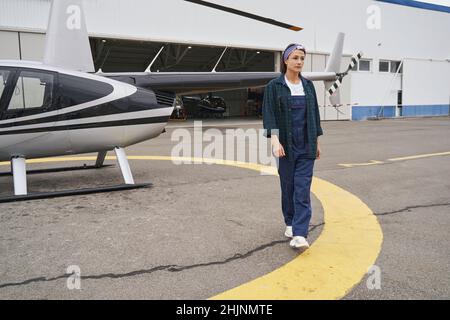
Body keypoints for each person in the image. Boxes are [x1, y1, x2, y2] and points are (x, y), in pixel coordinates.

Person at [262, 43, 323, 249]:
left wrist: (316, 141)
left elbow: (314, 114)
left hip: (306, 144)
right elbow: (269, 114)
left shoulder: (308, 86)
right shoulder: (274, 87)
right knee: (287, 187)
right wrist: (275, 140)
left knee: (302, 189)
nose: (299, 62)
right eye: (295, 57)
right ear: (286, 60)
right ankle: (289, 221)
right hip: (285, 145)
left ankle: (300, 233)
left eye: (302, 58)